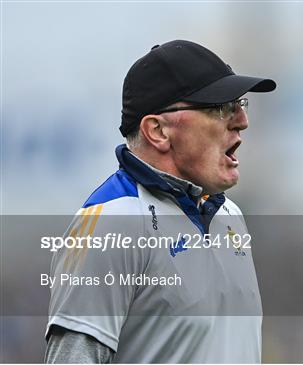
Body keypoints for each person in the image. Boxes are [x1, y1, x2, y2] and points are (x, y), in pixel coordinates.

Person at [45, 40, 276, 363]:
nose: (241, 120)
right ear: (158, 131)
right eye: (220, 107)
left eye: (240, 104)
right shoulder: (112, 222)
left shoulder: (229, 214)